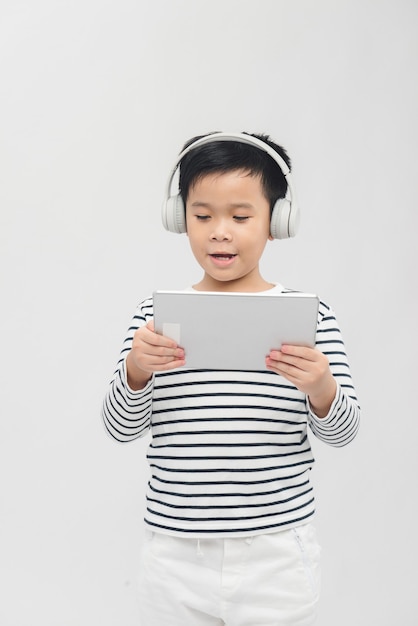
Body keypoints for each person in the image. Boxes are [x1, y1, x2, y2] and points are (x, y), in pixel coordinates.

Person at [102, 131, 360, 625]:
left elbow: (343, 433)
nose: (221, 231)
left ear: (277, 222)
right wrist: (136, 371)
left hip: (277, 555)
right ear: (180, 219)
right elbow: (120, 428)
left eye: (241, 217)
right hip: (175, 556)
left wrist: (322, 388)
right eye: (202, 216)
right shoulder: (154, 319)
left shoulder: (311, 319)